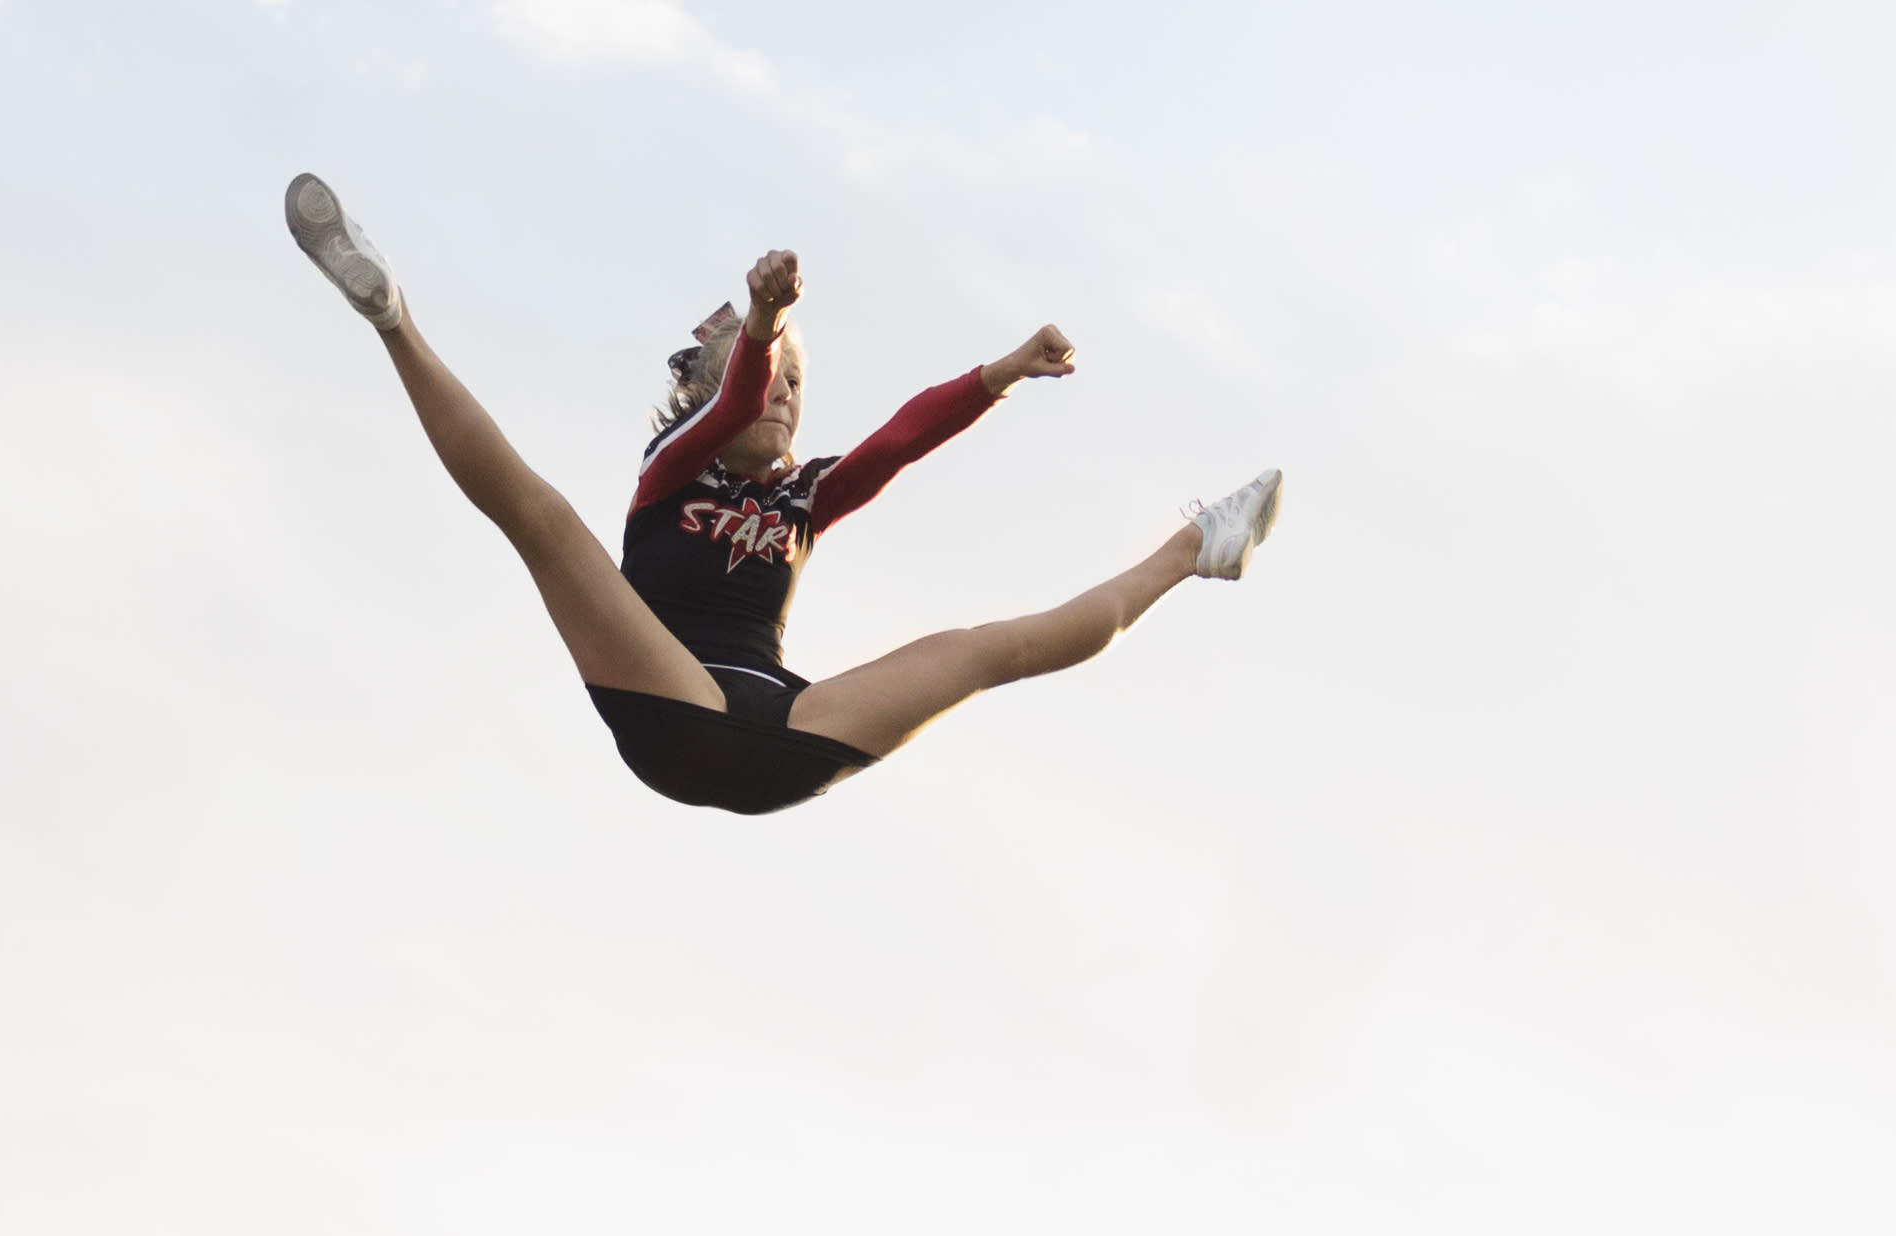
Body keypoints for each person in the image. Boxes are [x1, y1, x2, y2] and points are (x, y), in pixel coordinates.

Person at [279, 181, 1278, 821]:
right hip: (665, 696)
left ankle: (1198, 546)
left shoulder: (808, 494)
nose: (783, 395)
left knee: (989, 650)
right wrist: (760, 328)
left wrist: (1004, 371)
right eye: (767, 379)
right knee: (542, 520)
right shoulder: (676, 463)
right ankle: (390, 314)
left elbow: (899, 439)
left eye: (800, 381)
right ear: (706, 389)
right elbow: (735, 405)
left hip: (783, 728)